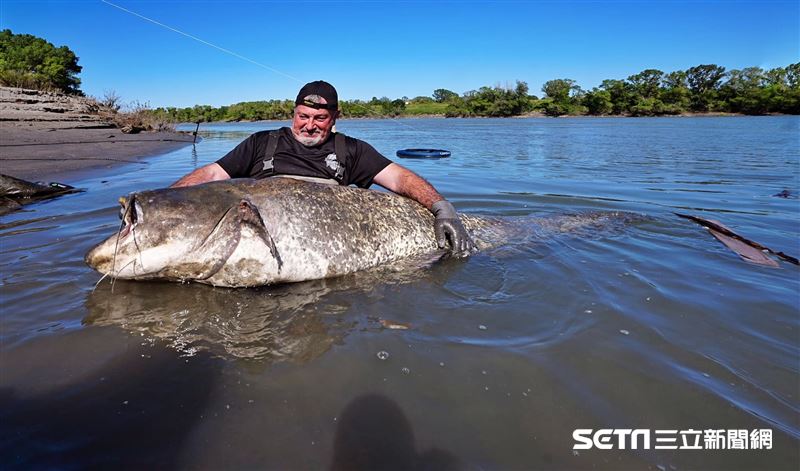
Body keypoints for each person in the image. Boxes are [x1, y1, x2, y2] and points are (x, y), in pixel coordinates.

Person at [171, 80, 475, 257]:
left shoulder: (351, 150)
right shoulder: (261, 143)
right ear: (294, 112)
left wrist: (442, 208)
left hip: (325, 249)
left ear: (335, 117)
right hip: (263, 247)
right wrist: (165, 199)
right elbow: (211, 175)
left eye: (320, 118)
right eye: (303, 116)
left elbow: (400, 178)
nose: (309, 125)